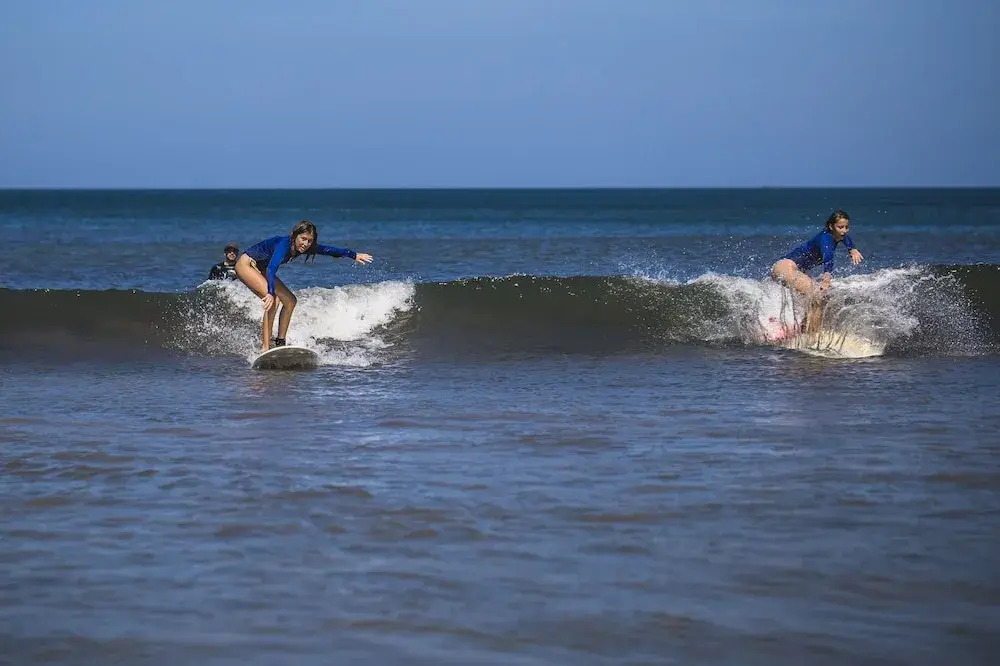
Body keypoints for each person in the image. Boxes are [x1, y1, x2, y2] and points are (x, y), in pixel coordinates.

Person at [235, 220, 373, 351]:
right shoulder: (283, 245)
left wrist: (353, 255)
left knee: (290, 301)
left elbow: (328, 250)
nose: (306, 244)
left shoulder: (304, 247)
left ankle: (280, 342)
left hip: (261, 267)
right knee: (275, 300)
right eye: (303, 239)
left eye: (309, 240)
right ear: (294, 236)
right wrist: (270, 292)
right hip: (247, 264)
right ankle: (265, 347)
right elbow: (272, 268)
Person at [770, 210, 863, 334]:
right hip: (785, 267)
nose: (844, 230)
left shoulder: (837, 235)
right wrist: (826, 278)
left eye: (847, 227)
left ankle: (799, 329)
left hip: (791, 269)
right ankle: (811, 337)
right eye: (840, 227)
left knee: (812, 300)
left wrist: (852, 249)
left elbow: (845, 238)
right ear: (831, 226)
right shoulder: (826, 239)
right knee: (818, 296)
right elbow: (828, 257)